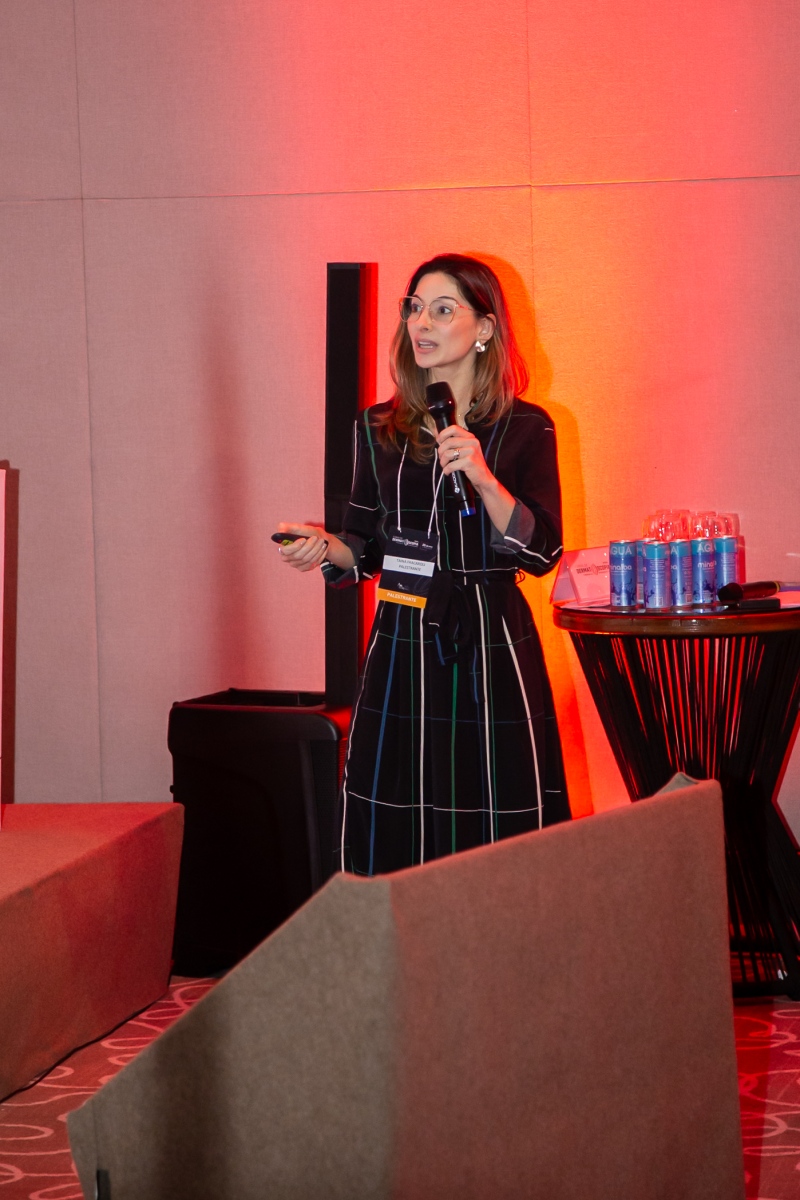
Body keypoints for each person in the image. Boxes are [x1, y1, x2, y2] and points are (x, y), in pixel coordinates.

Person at [278, 253, 570, 875]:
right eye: (414, 308)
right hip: (401, 636)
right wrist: (323, 548)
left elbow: (544, 550)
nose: (421, 323)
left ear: (485, 328)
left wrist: (485, 480)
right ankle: (398, 935)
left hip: (490, 633)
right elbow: (363, 545)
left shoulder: (526, 426)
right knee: (392, 813)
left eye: (442, 309)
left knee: (498, 813)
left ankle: (501, 935)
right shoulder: (378, 427)